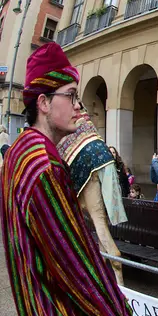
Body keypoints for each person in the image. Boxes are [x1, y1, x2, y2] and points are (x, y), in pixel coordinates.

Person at [1, 42, 142, 316]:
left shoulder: (19, 151)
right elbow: (74, 261)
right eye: (71, 95)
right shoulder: (44, 165)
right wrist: (119, 310)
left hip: (42, 315)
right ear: (45, 103)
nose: (80, 106)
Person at [58, 109, 129, 284]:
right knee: (100, 222)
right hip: (100, 155)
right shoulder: (79, 117)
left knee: (99, 223)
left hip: (86, 160)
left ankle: (119, 283)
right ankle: (107, 280)